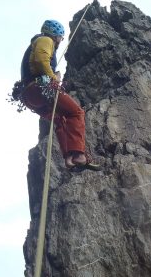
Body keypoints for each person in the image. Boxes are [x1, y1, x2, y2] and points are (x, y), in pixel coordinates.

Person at [20, 20, 99, 170]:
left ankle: (68, 157)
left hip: (29, 96)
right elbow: (40, 59)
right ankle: (78, 154)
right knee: (76, 112)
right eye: (61, 38)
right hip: (40, 88)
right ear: (56, 35)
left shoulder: (35, 43)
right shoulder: (45, 40)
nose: (60, 41)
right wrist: (54, 78)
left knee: (60, 119)